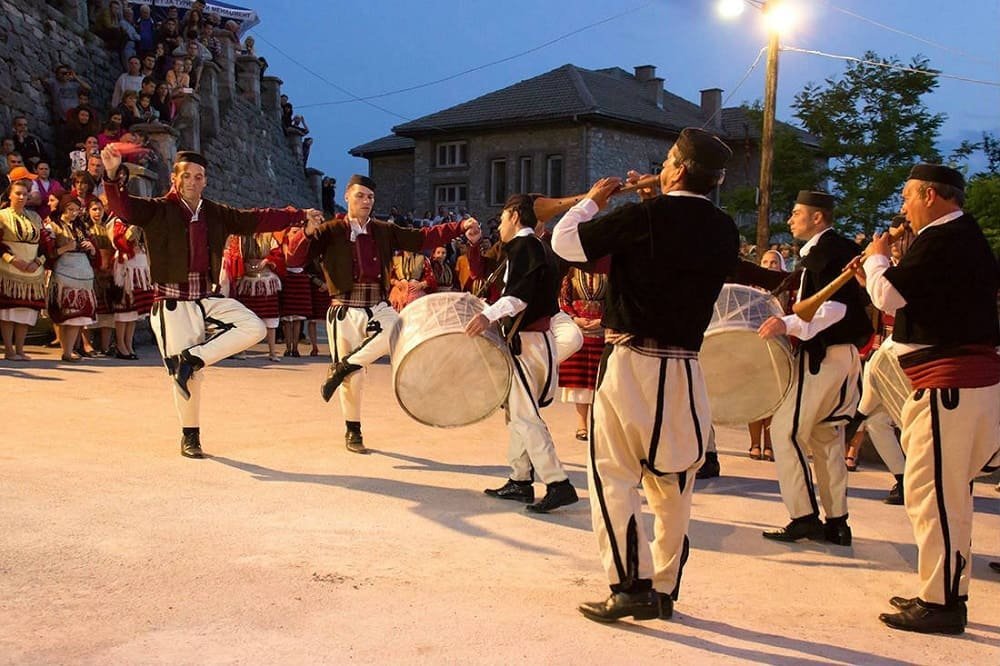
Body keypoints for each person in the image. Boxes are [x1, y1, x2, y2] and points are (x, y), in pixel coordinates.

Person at [550, 127, 739, 623]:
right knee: (673, 482)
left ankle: (629, 585)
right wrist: (651, 203)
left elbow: (567, 244)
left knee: (613, 475)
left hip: (631, 362)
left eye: (667, 161)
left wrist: (592, 202)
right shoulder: (724, 228)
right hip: (685, 367)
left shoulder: (645, 215)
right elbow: (675, 241)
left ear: (675, 168)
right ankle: (665, 587)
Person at [100, 145, 323, 459]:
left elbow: (255, 219)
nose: (193, 181)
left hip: (205, 298)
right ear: (176, 180)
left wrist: (297, 215)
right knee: (188, 381)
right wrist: (111, 175)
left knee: (254, 327)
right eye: (187, 176)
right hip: (172, 302)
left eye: (199, 176)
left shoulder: (215, 212)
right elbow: (123, 208)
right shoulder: (157, 209)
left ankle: (192, 357)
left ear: (205, 181)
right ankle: (190, 436)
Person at [861, 164, 1000, 635]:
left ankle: (940, 602)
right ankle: (943, 590)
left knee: (933, 495)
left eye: (906, 197)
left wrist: (877, 259)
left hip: (950, 387)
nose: (902, 208)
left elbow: (888, 299)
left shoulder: (944, 237)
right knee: (948, 495)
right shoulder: (953, 237)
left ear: (931, 196)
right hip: (958, 385)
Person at [310, 175, 480, 454]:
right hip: (343, 306)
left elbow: (422, 237)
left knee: (397, 327)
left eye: (370, 197)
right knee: (356, 380)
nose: (366, 201)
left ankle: (342, 367)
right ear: (346, 197)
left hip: (377, 304)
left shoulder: (383, 230)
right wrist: (306, 233)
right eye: (360, 196)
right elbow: (296, 259)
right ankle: (353, 429)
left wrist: (459, 226)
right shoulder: (330, 230)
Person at [758, 191, 872, 547]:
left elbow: (832, 310)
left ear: (818, 218)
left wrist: (787, 324)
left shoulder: (830, 252)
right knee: (826, 439)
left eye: (796, 213)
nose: (790, 219)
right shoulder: (826, 252)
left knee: (784, 431)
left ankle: (804, 516)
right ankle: (837, 523)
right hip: (840, 357)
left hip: (824, 358)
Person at [466, 194, 579, 514]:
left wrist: (487, 315)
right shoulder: (537, 247)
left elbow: (519, 297)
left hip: (527, 343)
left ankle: (558, 483)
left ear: (515, 216)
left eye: (501, 218)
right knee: (519, 413)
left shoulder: (525, 247)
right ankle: (520, 480)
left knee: (525, 416)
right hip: (534, 340)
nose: (499, 225)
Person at [44, 193, 98, 362]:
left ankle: (69, 351)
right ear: (63, 209)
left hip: (82, 270)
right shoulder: (53, 227)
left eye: (76, 210)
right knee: (65, 311)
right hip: (64, 270)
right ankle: (66, 350)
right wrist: (66, 247)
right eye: (70, 210)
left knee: (78, 313)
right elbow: (48, 253)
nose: (73, 213)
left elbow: (93, 252)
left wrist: (92, 248)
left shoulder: (81, 227)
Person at [0, 176, 47, 360]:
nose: (21, 197)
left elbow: (45, 243)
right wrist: (11, 259)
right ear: (10, 195)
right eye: (18, 193)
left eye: (25, 194)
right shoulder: (2, 216)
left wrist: (38, 262)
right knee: (8, 311)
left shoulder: (35, 217)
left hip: (32, 270)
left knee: (25, 312)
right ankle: (9, 350)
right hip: (9, 269)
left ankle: (20, 348)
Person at [558, 267, 607, 441]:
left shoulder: (608, 271)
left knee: (601, 380)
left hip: (603, 331)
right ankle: (581, 424)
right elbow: (564, 301)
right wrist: (574, 318)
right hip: (579, 331)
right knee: (579, 381)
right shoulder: (571, 273)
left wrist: (603, 320)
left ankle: (599, 423)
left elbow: (615, 299)